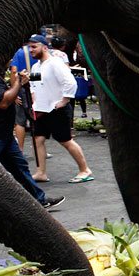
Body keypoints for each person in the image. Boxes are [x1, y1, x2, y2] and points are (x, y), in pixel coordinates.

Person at [0, 67, 65, 211]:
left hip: (3, 136)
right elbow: (3, 102)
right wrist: (19, 83)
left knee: (19, 168)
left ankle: (38, 199)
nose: (11, 63)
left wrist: (14, 86)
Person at [27, 34, 93, 184]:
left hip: (57, 110)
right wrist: (35, 102)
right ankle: (40, 172)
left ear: (44, 47)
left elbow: (70, 83)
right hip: (41, 110)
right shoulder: (36, 66)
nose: (31, 50)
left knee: (65, 140)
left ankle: (85, 170)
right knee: (38, 139)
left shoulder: (55, 63)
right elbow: (34, 86)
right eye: (30, 47)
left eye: (34, 47)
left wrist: (63, 101)